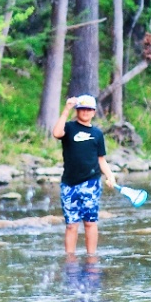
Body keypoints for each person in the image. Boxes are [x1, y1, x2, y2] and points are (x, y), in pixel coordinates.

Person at [51, 94, 120, 258]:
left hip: (91, 183)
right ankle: (70, 258)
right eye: (82, 109)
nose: (86, 112)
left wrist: (110, 176)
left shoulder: (97, 134)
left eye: (89, 109)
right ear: (77, 111)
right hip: (69, 184)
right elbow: (56, 133)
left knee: (90, 223)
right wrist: (66, 109)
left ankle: (91, 258)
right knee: (71, 225)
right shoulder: (69, 128)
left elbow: (101, 160)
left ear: (94, 112)